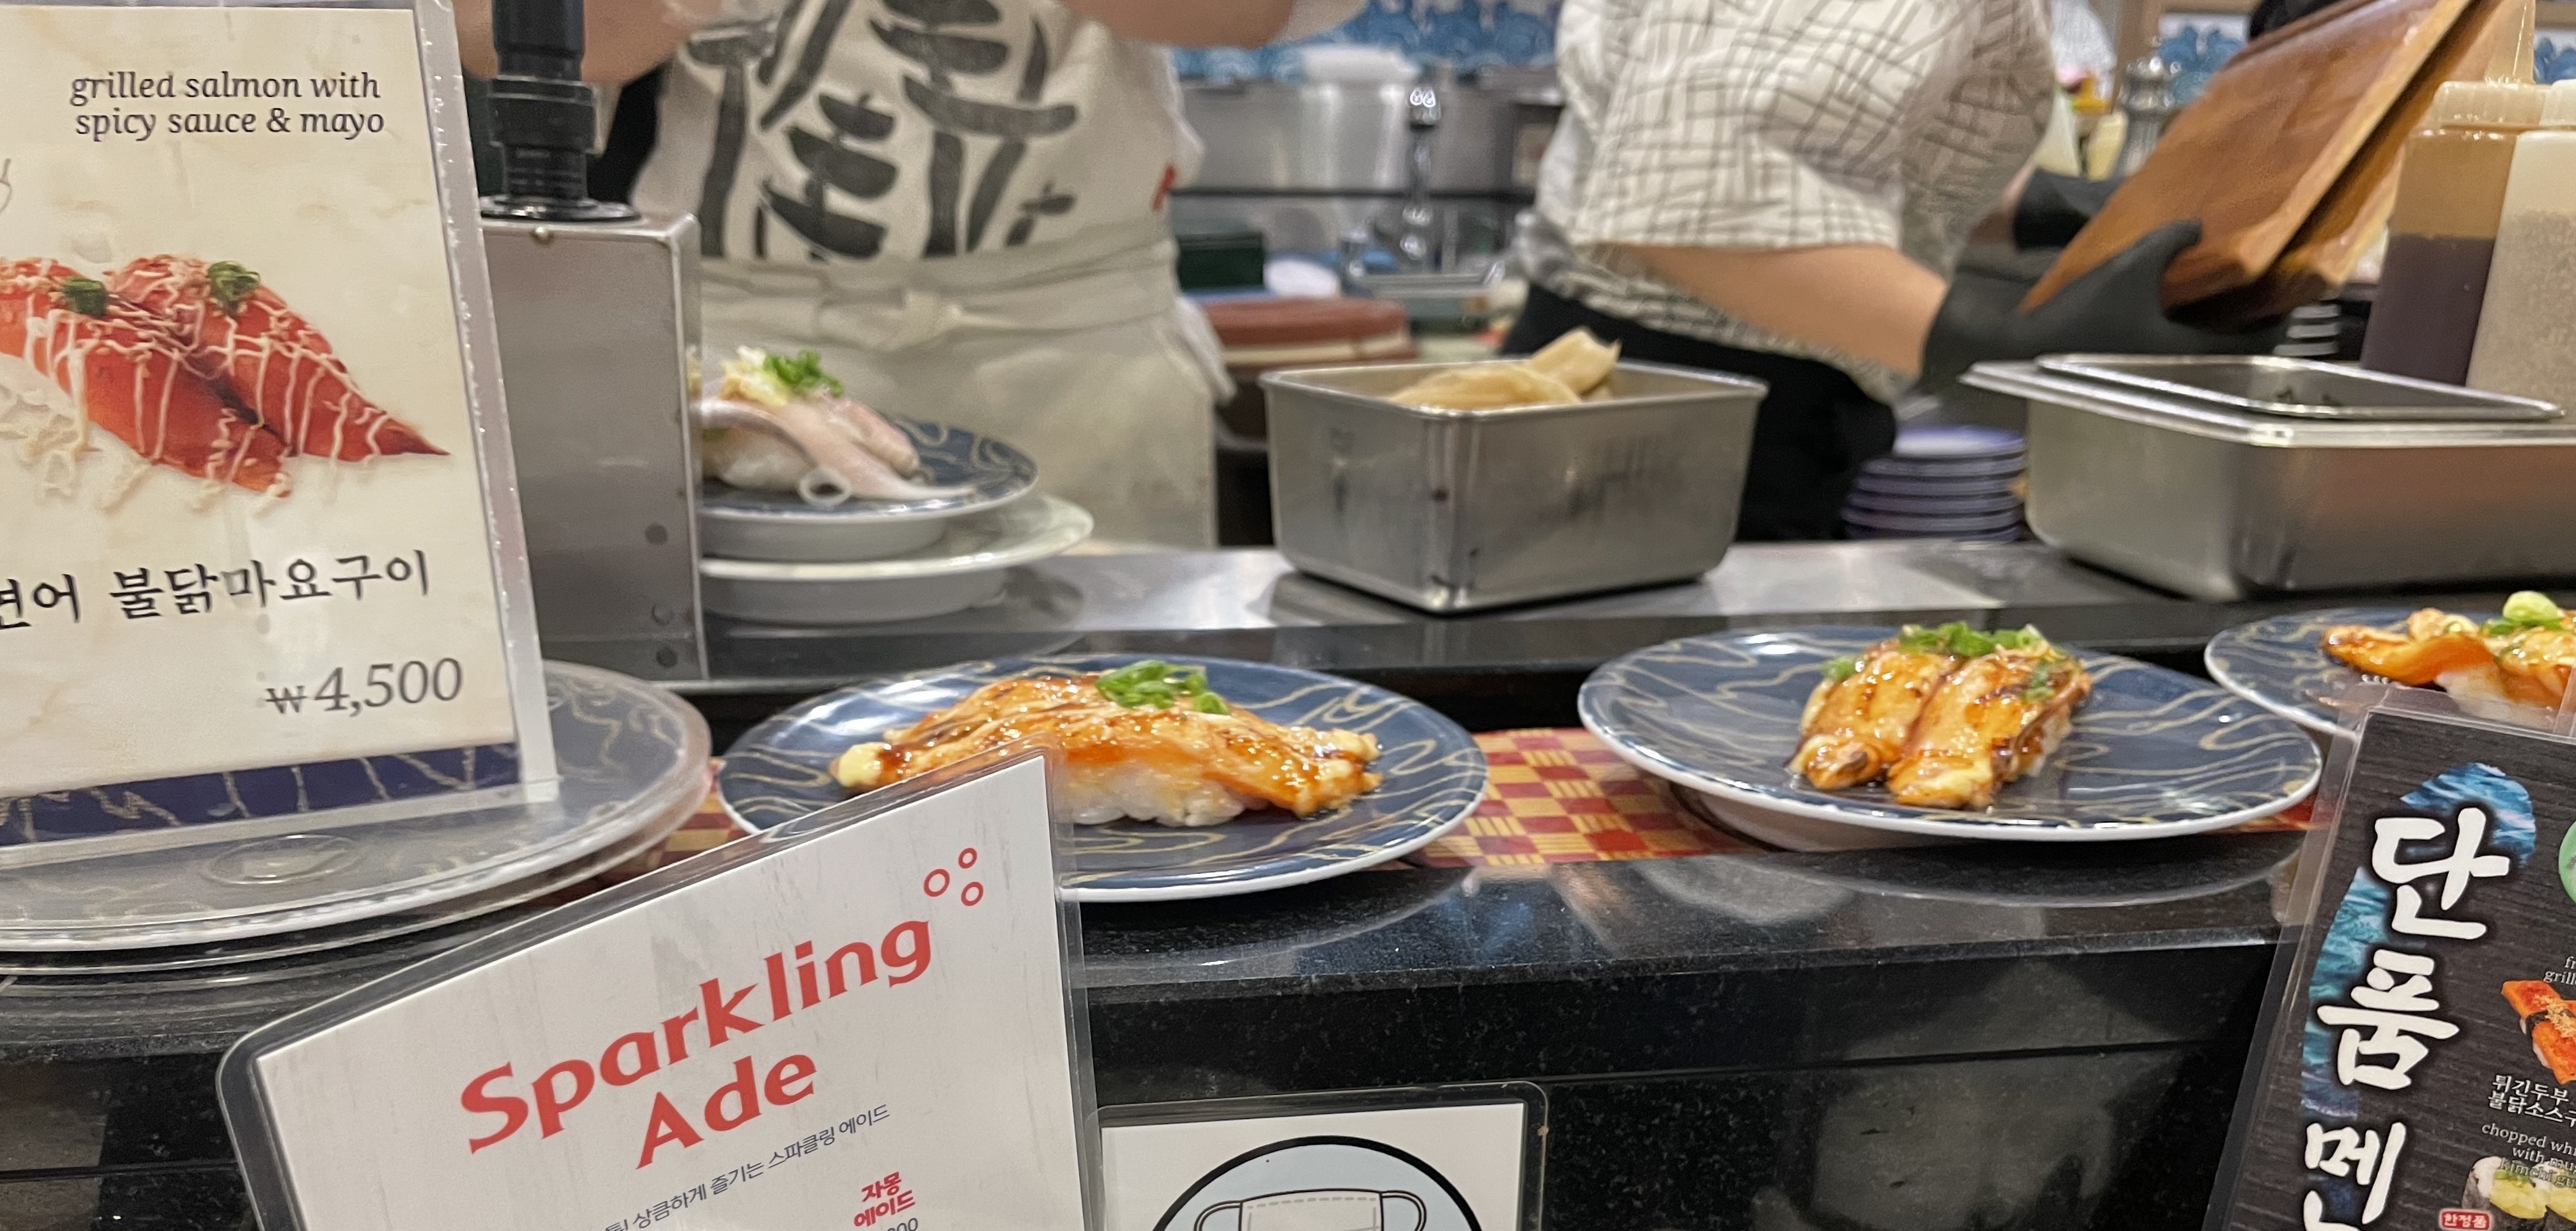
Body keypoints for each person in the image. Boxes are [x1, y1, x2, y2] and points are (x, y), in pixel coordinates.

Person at [462, 0, 1361, 546]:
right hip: (744, 344)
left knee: (1108, 691)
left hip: (1073, 343)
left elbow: (1258, 13)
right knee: (759, 694)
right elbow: (490, 31)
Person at [1508, 0, 2274, 539]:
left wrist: (2046, 207)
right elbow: (1693, 200)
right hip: (1675, 431)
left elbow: (1811, 156)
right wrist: (2000, 341)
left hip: (1678, 411)